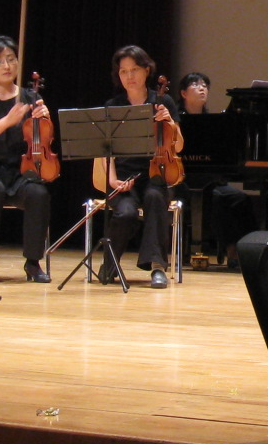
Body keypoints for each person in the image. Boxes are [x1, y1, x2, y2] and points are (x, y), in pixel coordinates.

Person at [0, 35, 53, 284]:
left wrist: (43, 118)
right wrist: (8, 121)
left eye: (11, 59)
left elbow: (43, 141)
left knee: (38, 193)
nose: (6, 66)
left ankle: (33, 263)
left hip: (19, 172)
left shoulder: (29, 96)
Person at [102, 45, 182, 288]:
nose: (129, 76)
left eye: (134, 70)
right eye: (124, 71)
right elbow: (105, 152)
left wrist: (170, 122)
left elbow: (178, 146)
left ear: (146, 71)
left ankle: (157, 266)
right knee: (125, 212)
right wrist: (112, 180)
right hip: (124, 177)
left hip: (156, 173)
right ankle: (110, 264)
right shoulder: (113, 105)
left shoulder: (163, 100)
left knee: (155, 198)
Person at [176, 71, 257, 268]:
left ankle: (246, 250)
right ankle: (228, 249)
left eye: (205, 85)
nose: (202, 88)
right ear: (184, 93)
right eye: (196, 85)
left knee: (240, 198)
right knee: (218, 199)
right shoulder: (175, 120)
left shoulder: (216, 123)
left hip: (211, 181)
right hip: (180, 181)